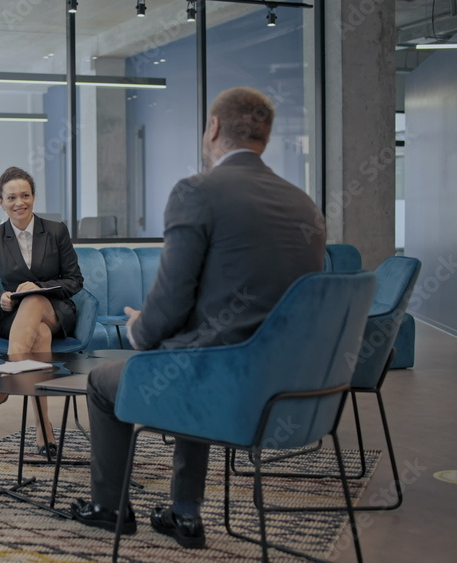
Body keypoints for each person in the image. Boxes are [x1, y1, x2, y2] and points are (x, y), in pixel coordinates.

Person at [69, 87, 326, 549]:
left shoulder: (197, 191)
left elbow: (167, 305)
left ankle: (110, 508)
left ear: (213, 129)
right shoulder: (304, 204)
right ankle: (183, 511)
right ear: (265, 136)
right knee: (202, 348)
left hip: (220, 385)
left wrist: (138, 327)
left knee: (104, 383)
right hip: (293, 390)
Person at [0, 167, 85, 456]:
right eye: (11, 197)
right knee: (39, 337)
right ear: (1, 201)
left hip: (55, 310)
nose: (19, 202)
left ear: (33, 196)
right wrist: (0, 297)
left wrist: (38, 286)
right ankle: (44, 430)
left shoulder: (56, 231)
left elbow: (75, 280)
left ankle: (3, 386)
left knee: (34, 303)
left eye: (25, 195)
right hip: (15, 318)